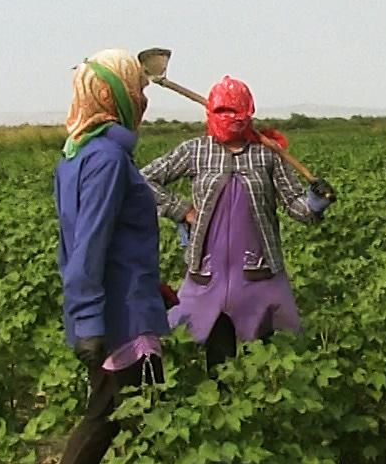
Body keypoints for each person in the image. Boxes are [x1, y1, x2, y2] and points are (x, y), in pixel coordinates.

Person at [27, 49, 169, 464]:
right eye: (139, 89)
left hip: (124, 301)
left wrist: (152, 286)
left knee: (139, 412)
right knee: (127, 411)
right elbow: (88, 240)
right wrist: (89, 314)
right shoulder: (108, 158)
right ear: (113, 95)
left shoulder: (79, 154)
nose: (145, 99)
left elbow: (96, 242)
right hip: (119, 315)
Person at [141, 77, 335, 375]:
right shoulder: (196, 151)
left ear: (248, 113)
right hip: (208, 274)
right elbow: (144, 179)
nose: (229, 119)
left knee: (263, 360)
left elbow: (294, 203)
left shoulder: (267, 153)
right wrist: (182, 211)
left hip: (257, 273)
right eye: (222, 112)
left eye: (235, 112)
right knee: (218, 359)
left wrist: (314, 203)